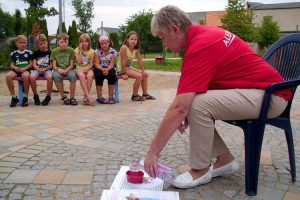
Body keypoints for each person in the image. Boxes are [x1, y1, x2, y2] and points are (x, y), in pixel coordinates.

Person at [143, 5, 291, 189]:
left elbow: (179, 107)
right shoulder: (204, 34)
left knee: (197, 105)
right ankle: (224, 160)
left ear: (175, 29)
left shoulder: (200, 46)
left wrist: (153, 152)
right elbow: (187, 97)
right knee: (194, 102)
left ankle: (201, 169)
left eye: (162, 37)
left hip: (273, 97)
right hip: (263, 91)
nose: (164, 43)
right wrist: (186, 112)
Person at [117, 31, 156, 101]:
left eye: (135, 39)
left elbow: (140, 60)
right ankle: (134, 96)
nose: (134, 41)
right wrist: (123, 73)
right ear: (127, 39)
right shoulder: (124, 48)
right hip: (121, 69)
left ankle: (145, 94)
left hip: (128, 68)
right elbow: (123, 62)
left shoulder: (136, 49)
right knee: (139, 76)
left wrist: (143, 70)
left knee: (145, 75)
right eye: (132, 39)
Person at [50, 32, 78, 105]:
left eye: (66, 42)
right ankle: (63, 96)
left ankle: (72, 97)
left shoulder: (71, 50)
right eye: (62, 42)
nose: (64, 44)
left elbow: (72, 65)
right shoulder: (54, 51)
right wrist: (59, 69)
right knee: (55, 76)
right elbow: (54, 66)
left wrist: (66, 70)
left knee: (73, 76)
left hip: (68, 69)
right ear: (58, 42)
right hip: (58, 69)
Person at [6, 35, 33, 107]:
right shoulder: (13, 53)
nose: (22, 44)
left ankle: (25, 97)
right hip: (16, 70)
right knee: (8, 76)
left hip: (25, 70)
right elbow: (11, 64)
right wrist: (15, 68)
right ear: (16, 44)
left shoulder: (29, 53)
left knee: (26, 75)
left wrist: (24, 68)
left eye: (24, 42)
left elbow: (31, 64)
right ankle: (14, 97)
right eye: (20, 42)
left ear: (26, 43)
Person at [30, 34, 53, 106]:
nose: (43, 45)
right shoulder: (36, 53)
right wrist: (39, 69)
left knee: (49, 77)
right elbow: (34, 64)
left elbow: (51, 65)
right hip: (37, 69)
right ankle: (35, 95)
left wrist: (45, 69)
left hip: (47, 69)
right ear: (37, 45)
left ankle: (48, 96)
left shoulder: (50, 53)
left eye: (44, 43)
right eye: (40, 44)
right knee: (32, 77)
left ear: (47, 43)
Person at [94, 35, 118, 104]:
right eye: (102, 44)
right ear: (100, 44)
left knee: (112, 75)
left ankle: (110, 96)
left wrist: (107, 69)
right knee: (98, 75)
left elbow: (112, 64)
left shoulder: (113, 51)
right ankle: (99, 97)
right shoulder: (97, 51)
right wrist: (102, 69)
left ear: (109, 43)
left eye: (105, 43)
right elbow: (97, 64)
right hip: (99, 67)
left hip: (109, 67)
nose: (104, 45)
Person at [74, 33, 95, 106]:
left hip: (88, 68)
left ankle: (85, 96)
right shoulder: (76, 50)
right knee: (82, 76)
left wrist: (87, 69)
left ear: (89, 42)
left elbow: (91, 64)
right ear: (79, 43)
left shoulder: (92, 51)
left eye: (86, 41)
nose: (84, 43)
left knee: (90, 75)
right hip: (79, 68)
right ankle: (88, 97)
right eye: (82, 41)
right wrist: (80, 51)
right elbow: (79, 62)